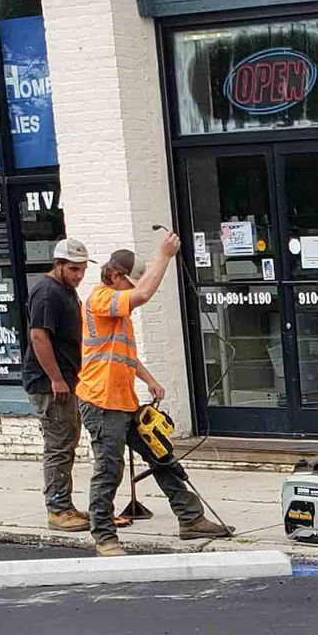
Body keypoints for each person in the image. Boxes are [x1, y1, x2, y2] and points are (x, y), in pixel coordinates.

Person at [76, 234, 233, 557]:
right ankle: (104, 537)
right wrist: (164, 254)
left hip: (122, 400)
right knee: (109, 469)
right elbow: (144, 293)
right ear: (115, 276)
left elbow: (124, 355)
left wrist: (149, 380)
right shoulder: (100, 300)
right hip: (101, 401)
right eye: (128, 282)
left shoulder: (116, 309)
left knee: (161, 455)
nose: (131, 288)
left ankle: (191, 519)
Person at [20, 234, 91, 533]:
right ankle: (58, 509)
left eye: (83, 268)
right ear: (58, 264)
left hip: (66, 379)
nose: (79, 275)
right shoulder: (47, 292)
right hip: (49, 383)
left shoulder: (64, 290)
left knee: (67, 441)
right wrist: (56, 379)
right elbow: (39, 336)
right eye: (73, 268)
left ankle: (66, 504)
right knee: (59, 444)